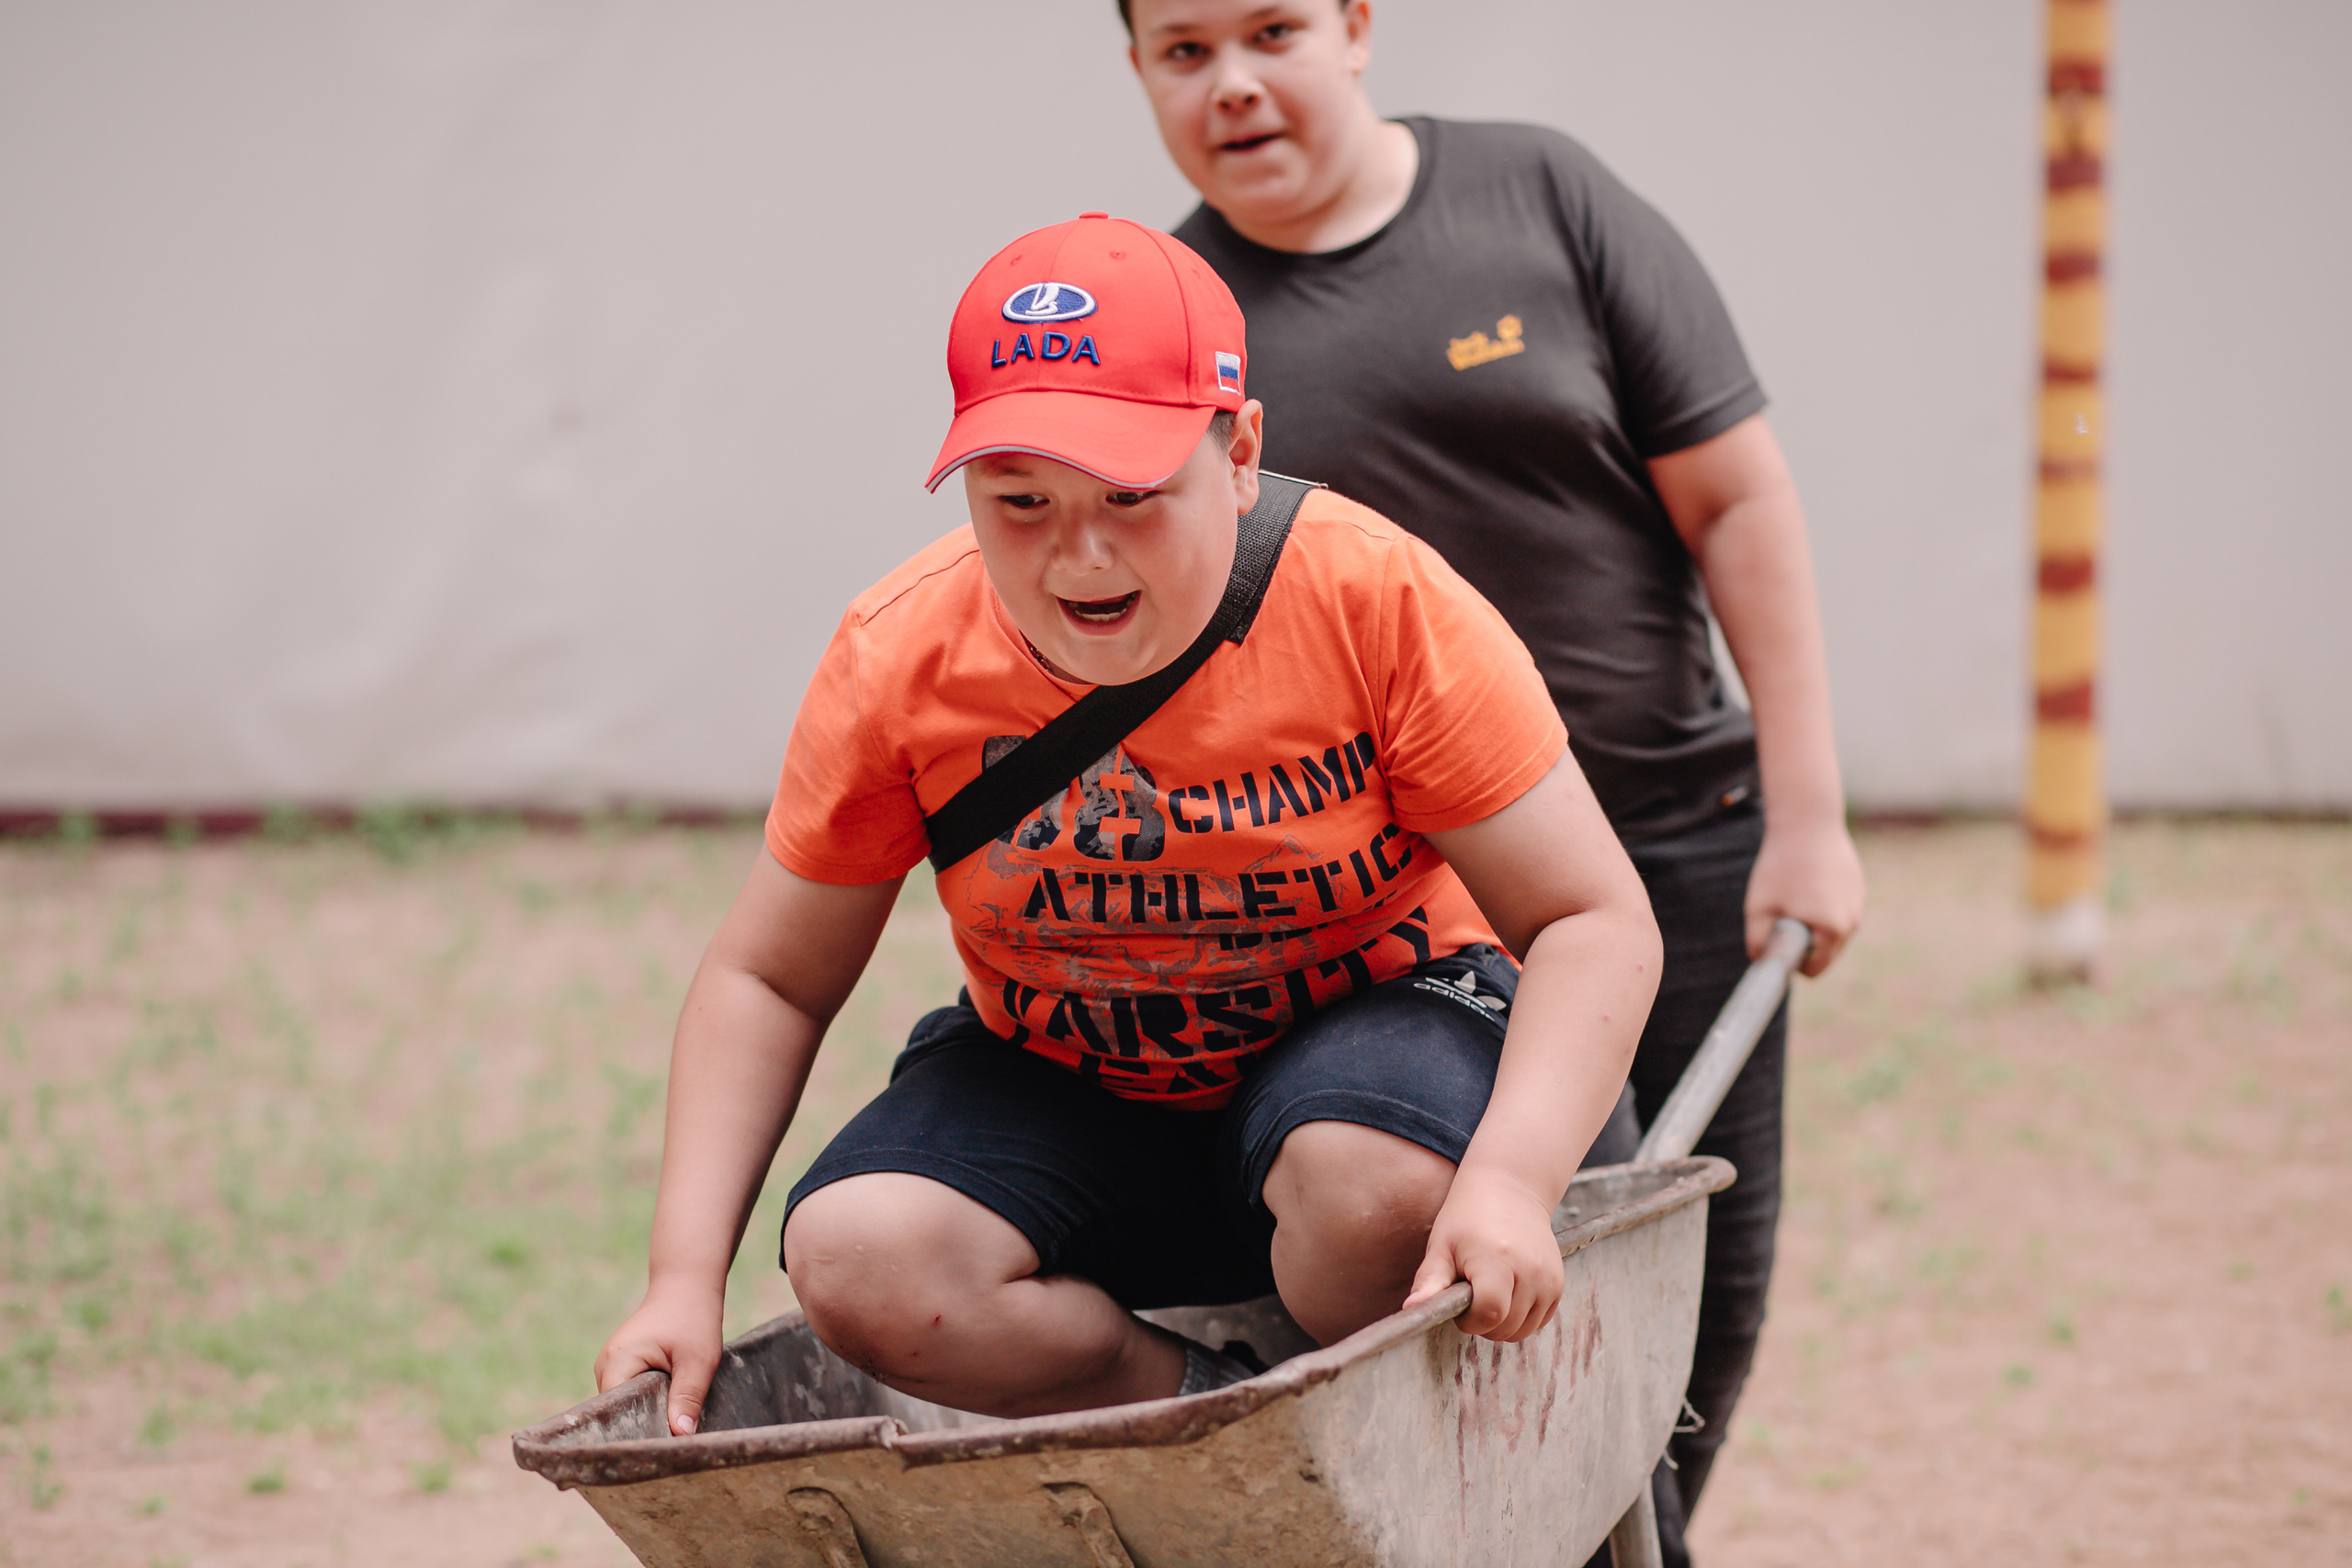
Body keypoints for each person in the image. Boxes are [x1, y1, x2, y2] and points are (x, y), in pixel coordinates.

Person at [593, 212, 1664, 1429]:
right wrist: (682, 1283)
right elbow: (770, 978)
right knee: (861, 1256)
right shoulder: (900, 655)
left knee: (1374, 1190)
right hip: (1077, 1075)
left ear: (1240, 451)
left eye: (1134, 494)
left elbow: (1592, 917)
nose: (1082, 555)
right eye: (1021, 501)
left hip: (1377, 1049)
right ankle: (1209, 1422)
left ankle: (1383, 1430)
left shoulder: (1375, 600)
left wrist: (1513, 1180)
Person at [1118, 3, 1869, 1562]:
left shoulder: (1543, 197)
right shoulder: (1173, 331)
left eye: (1272, 30)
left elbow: (1736, 503)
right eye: (1184, 51)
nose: (1234, 83)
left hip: (1676, 839)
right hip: (1418, 919)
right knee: (1546, 1318)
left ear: (1355, 26)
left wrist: (1807, 816)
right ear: (1139, 71)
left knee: (1703, 1297)